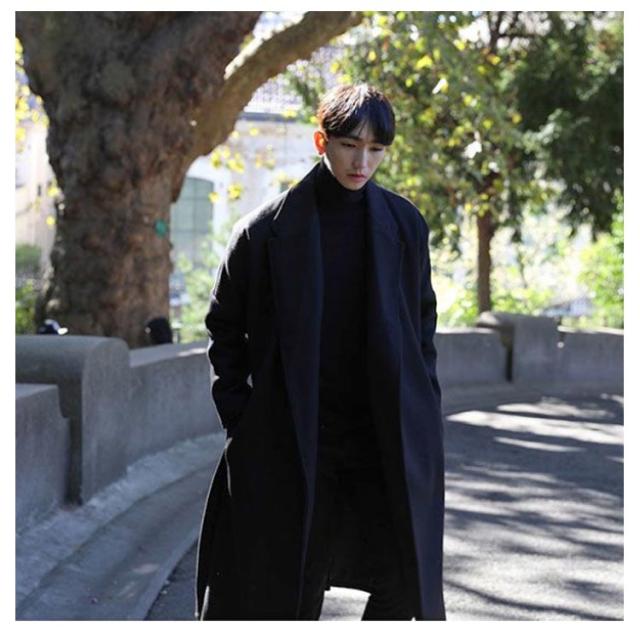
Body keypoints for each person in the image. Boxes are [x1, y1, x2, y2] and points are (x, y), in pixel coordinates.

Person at [195, 84, 445, 621]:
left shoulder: (405, 226)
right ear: (321, 141)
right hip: (295, 439)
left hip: (383, 438)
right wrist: (244, 419)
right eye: (350, 145)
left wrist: (424, 406)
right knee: (291, 586)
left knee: (406, 578)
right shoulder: (264, 232)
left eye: (376, 149)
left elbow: (422, 326)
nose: (362, 162)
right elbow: (223, 330)